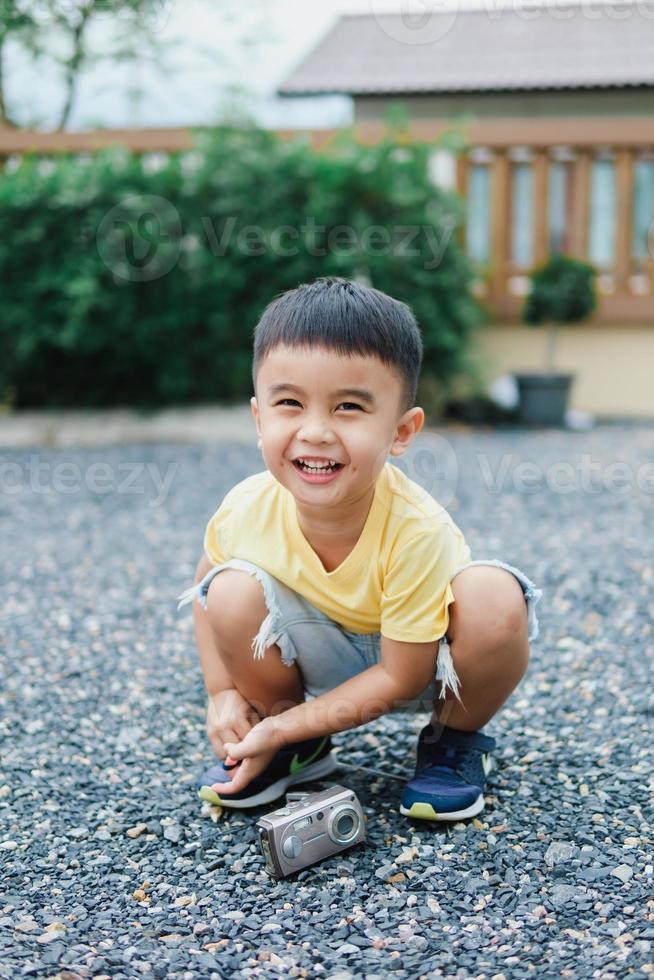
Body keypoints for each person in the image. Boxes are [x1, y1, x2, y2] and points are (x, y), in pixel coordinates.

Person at [177, 277, 542, 821]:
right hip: (313, 663)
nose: (316, 431)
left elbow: (401, 677)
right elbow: (203, 593)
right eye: (290, 404)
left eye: (348, 406)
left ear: (401, 432)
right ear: (259, 418)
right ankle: (300, 749)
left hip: (428, 667)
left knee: (494, 597)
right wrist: (221, 694)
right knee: (227, 589)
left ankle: (452, 743)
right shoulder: (245, 508)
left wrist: (275, 724)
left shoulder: (415, 528)